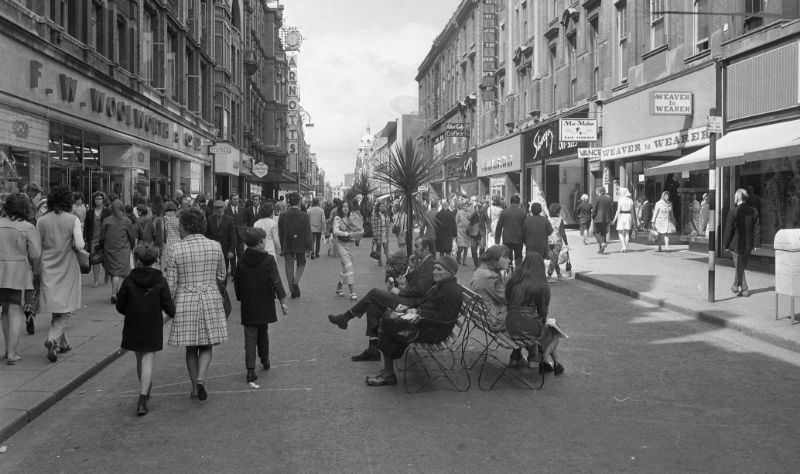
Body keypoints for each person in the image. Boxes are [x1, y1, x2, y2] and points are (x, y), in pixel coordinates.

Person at [328, 236, 436, 362]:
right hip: (409, 300)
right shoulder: (424, 262)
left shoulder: (429, 264)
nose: (415, 249)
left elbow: (420, 290)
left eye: (417, 246)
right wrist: (411, 268)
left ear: (426, 248)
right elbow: (415, 284)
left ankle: (346, 318)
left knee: (374, 293)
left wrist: (400, 291)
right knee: (373, 307)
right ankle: (373, 350)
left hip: (411, 304)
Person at [364, 256, 464, 386]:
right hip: (424, 324)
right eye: (434, 269)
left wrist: (418, 313)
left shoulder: (452, 291)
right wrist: (410, 309)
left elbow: (444, 318)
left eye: (439, 269)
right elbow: (426, 303)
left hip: (433, 332)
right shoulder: (441, 285)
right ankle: (387, 371)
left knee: (387, 323)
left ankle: (388, 373)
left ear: (450, 272)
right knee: (388, 317)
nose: (434, 272)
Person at [165, 207, 228, 401]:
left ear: (184, 226)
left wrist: (168, 306)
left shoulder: (176, 249)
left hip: (186, 299)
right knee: (207, 344)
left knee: (190, 347)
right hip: (210, 297)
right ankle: (201, 378)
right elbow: (222, 275)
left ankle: (194, 387)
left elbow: (171, 283)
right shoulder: (215, 246)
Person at [115, 243, 175, 416]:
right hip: (152, 323)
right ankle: (143, 396)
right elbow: (168, 306)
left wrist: (130, 311)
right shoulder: (160, 280)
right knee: (148, 359)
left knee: (139, 359)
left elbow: (120, 306)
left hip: (134, 323)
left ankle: (145, 390)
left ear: (137, 260)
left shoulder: (129, 280)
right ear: (154, 260)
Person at [234, 228, 288, 386]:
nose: (265, 242)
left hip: (249, 302)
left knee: (250, 337)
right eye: (264, 240)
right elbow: (276, 281)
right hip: (265, 300)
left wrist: (240, 297)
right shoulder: (269, 259)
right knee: (263, 331)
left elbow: (237, 282)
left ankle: (250, 370)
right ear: (259, 242)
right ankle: (265, 359)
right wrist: (283, 301)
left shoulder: (242, 260)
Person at [37, 185, 84, 362]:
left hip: (47, 265)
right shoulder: (73, 219)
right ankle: (52, 338)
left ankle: (63, 344)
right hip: (67, 265)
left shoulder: (42, 220)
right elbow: (80, 245)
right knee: (66, 308)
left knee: (56, 306)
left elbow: (36, 246)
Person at [505, 252, 564, 373]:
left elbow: (508, 301)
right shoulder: (541, 285)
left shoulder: (514, 280)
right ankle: (542, 358)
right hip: (529, 326)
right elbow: (543, 311)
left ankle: (516, 356)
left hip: (511, 323)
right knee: (554, 332)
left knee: (526, 322)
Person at [0, 193, 41, 365]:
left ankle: (7, 349)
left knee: (4, 311)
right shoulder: (27, 227)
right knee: (16, 311)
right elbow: (35, 254)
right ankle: (12, 353)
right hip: (18, 273)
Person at [724, 188, 759, 297]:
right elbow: (756, 229)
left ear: (737, 197)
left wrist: (726, 244)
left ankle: (742, 287)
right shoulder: (754, 211)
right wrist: (756, 244)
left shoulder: (733, 211)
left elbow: (728, 229)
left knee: (739, 267)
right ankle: (740, 289)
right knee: (741, 266)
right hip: (748, 244)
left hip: (736, 245)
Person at [278, 193, 312, 298]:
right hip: (301, 243)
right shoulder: (305, 215)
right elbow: (308, 232)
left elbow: (280, 232)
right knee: (301, 263)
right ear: (299, 202)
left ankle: (292, 289)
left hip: (287, 243)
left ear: (289, 202)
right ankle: (296, 281)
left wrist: (282, 245)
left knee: (289, 266)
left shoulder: (283, 215)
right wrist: (309, 247)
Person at [101, 200, 135, 304]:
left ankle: (114, 293)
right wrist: (132, 247)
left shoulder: (106, 221)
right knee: (124, 272)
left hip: (110, 249)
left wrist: (102, 246)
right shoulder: (126, 221)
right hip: (123, 248)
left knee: (114, 272)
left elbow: (102, 237)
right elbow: (131, 236)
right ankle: (122, 293)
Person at [469, 245, 510, 332]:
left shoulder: (481, 270)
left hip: (480, 315)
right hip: (493, 320)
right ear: (494, 259)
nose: (509, 260)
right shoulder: (491, 277)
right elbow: (506, 299)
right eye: (505, 257)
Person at [332, 200, 363, 300]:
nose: (345, 208)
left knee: (345, 267)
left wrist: (358, 234)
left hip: (350, 245)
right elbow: (335, 231)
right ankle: (352, 292)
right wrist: (347, 234)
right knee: (349, 266)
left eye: (347, 207)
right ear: (340, 208)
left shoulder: (352, 218)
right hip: (340, 245)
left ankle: (339, 288)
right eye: (344, 207)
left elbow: (357, 229)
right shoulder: (337, 218)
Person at [84, 192, 110, 288]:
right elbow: (86, 226)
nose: (98, 200)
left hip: (105, 239)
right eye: (96, 199)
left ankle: (107, 274)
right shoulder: (90, 212)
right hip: (93, 239)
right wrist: (85, 238)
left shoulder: (107, 212)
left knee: (105, 260)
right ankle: (96, 280)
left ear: (103, 200)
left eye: (100, 198)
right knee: (95, 260)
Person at [494, 195, 527, 267]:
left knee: (508, 257)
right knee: (518, 257)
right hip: (519, 238)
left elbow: (499, 227)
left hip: (507, 238)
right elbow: (525, 228)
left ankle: (509, 272)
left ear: (510, 202)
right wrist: (525, 240)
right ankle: (518, 273)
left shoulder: (504, 212)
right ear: (518, 202)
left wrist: (497, 240)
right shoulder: (523, 213)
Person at [205, 200, 237, 273]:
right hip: (212, 249)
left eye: (220, 207)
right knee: (213, 270)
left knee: (224, 270)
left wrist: (231, 251)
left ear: (224, 208)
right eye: (216, 208)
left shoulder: (230, 219)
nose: (218, 209)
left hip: (225, 249)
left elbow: (233, 236)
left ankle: (223, 284)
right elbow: (206, 234)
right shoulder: (209, 219)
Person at [546, 203, 568, 280]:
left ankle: (558, 274)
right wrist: (566, 243)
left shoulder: (546, 219)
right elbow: (563, 233)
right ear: (558, 212)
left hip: (548, 240)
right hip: (557, 241)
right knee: (554, 258)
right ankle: (549, 275)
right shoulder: (560, 220)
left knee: (553, 258)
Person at [612, 187, 637, 253]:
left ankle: (623, 247)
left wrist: (614, 220)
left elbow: (618, 210)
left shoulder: (620, 200)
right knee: (627, 233)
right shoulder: (630, 200)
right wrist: (634, 220)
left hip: (622, 216)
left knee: (620, 232)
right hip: (628, 216)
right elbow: (632, 211)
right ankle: (625, 247)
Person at [591, 186, 613, 254]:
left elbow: (594, 209)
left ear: (599, 191)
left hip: (598, 218)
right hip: (606, 218)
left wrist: (592, 216)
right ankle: (601, 249)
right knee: (603, 233)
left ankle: (602, 243)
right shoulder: (608, 199)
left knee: (595, 232)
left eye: (596, 191)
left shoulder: (597, 198)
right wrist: (610, 218)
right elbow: (611, 209)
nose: (596, 193)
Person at [371, 201, 391, 266]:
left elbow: (388, 224)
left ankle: (389, 261)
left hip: (385, 233)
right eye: (381, 206)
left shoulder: (386, 214)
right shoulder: (375, 215)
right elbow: (373, 225)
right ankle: (380, 262)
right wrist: (375, 235)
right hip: (378, 233)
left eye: (384, 206)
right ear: (378, 207)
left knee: (386, 248)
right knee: (378, 248)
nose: (383, 208)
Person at [455, 201, 473, 265]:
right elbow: (456, 222)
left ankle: (464, 260)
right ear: (462, 206)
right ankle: (458, 256)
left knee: (466, 247)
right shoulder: (459, 213)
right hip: (460, 231)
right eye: (464, 205)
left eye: (467, 205)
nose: (465, 207)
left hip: (467, 231)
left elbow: (471, 222)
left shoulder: (470, 213)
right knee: (461, 246)